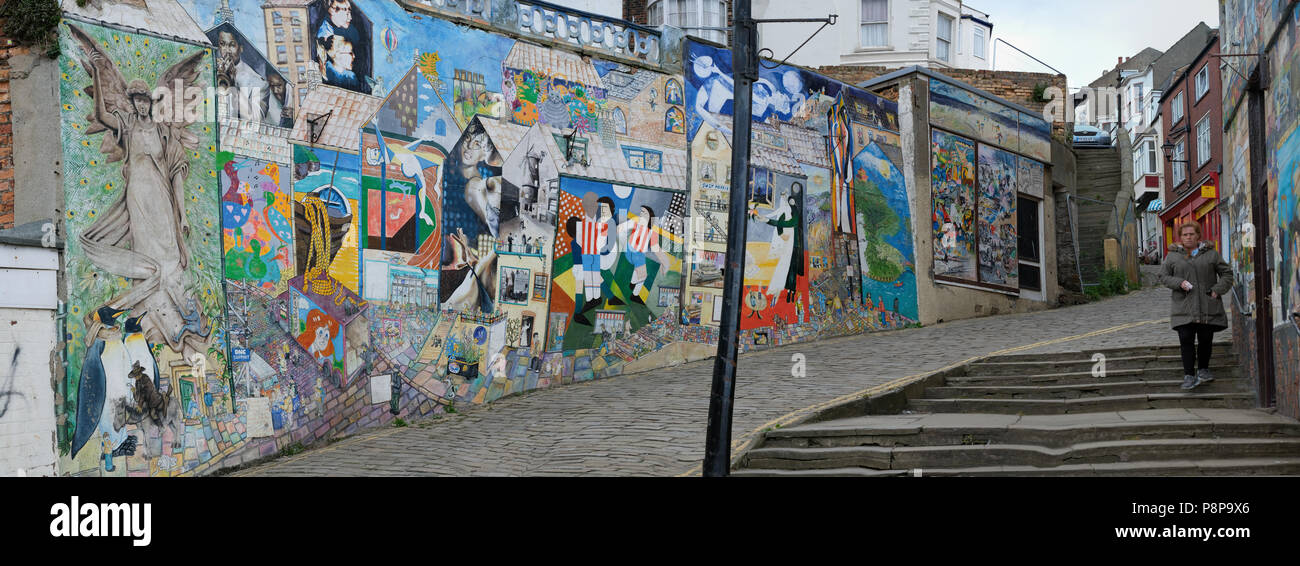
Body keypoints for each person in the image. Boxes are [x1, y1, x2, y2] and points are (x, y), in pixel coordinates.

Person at [1160, 220, 1233, 390]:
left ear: (1198, 235)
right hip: (1183, 306)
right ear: (1181, 237)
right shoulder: (1172, 256)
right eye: (1185, 235)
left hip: (1207, 304)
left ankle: (1203, 370)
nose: (1188, 237)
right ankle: (1188, 375)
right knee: (1185, 338)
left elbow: (1227, 273)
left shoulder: (1211, 254)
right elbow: (1163, 276)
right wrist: (1179, 283)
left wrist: (1217, 289)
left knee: (1205, 338)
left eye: (1191, 234)